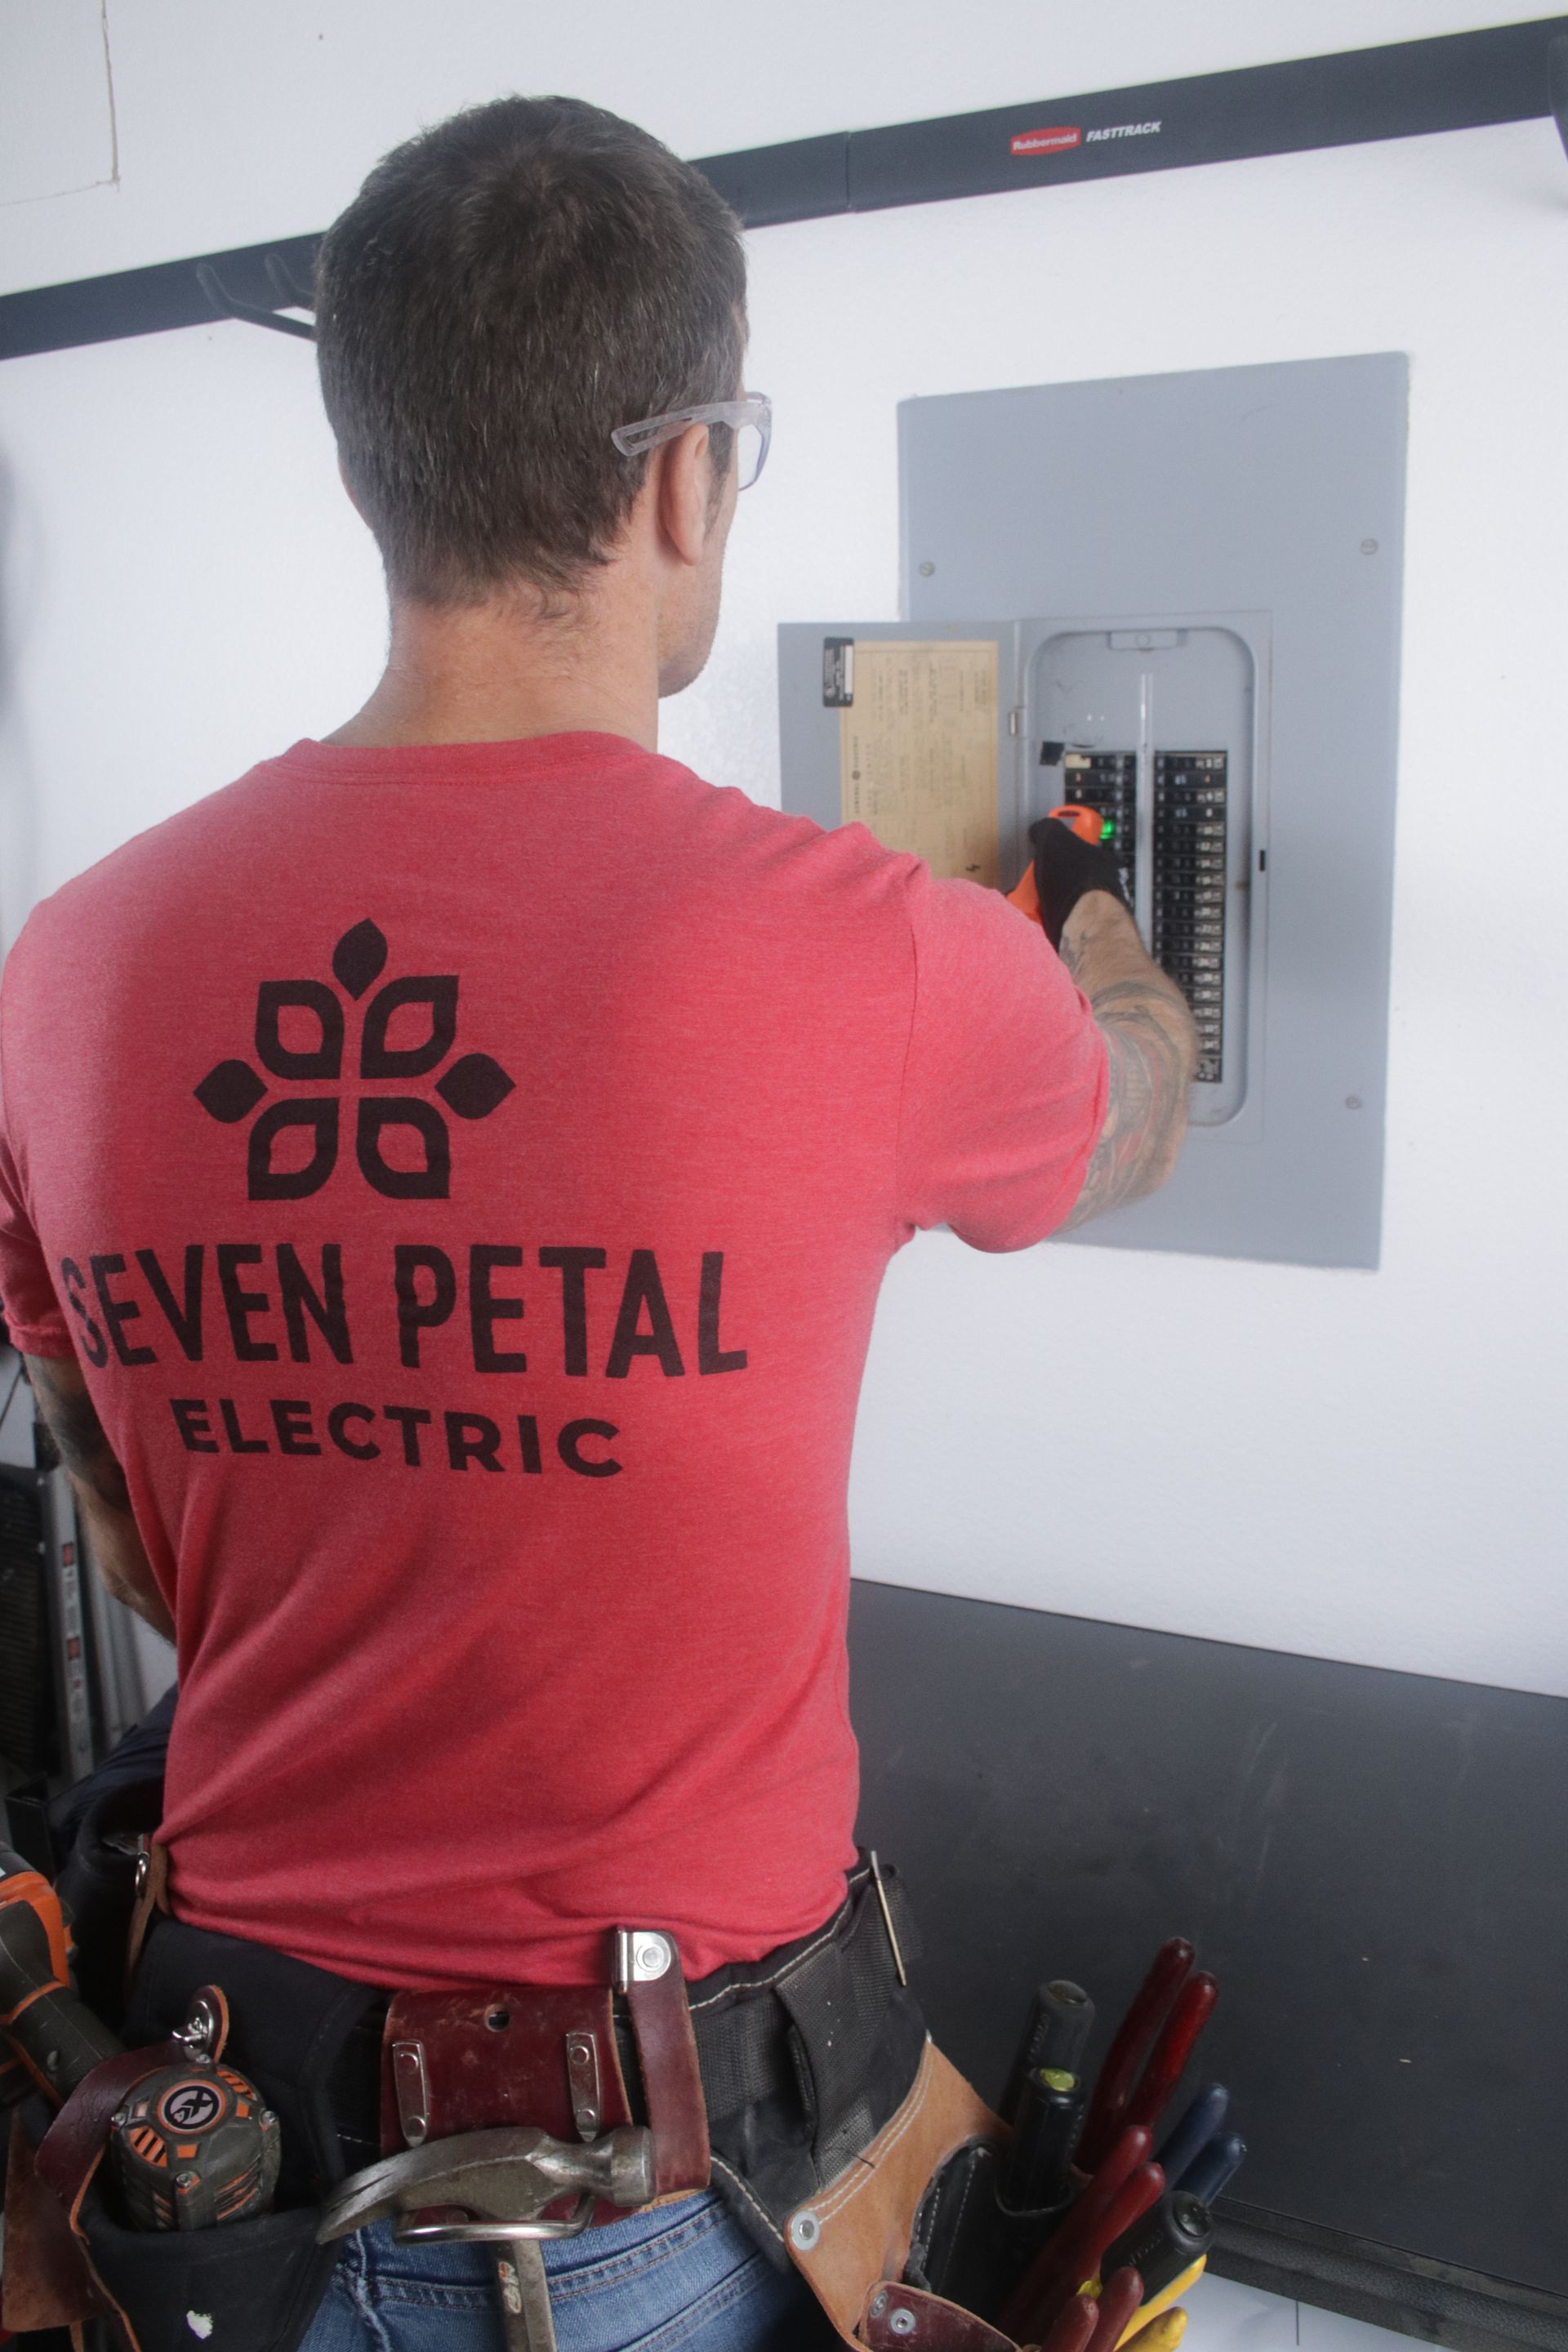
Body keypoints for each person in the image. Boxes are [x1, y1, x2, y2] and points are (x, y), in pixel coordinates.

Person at [0, 95, 1194, 2352]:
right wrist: (1095, 929)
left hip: (217, 2200)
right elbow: (1139, 1107)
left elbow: (144, 1541)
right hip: (654, 2216)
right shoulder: (873, 956)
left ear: (374, 472)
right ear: (685, 478)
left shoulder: (69, 970)